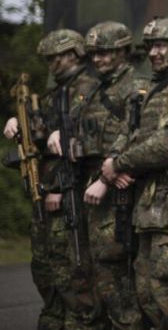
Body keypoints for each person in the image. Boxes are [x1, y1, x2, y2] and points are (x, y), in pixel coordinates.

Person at [100, 17, 168, 329]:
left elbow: (167, 145)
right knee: (147, 293)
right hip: (149, 207)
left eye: (161, 45)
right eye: (150, 46)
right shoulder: (154, 87)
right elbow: (131, 133)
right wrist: (112, 164)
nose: (153, 52)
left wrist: (119, 164)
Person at [4, 29, 101, 330]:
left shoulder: (89, 89)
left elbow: (92, 144)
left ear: (74, 54)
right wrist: (18, 125)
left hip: (72, 194)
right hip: (45, 193)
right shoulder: (54, 94)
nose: (52, 63)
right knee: (45, 269)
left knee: (72, 272)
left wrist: (58, 185)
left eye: (57, 57)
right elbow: (41, 136)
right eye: (48, 58)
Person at [77, 21, 147, 330]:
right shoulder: (96, 88)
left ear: (122, 51)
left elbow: (136, 132)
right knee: (101, 269)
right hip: (97, 184)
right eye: (93, 53)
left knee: (116, 270)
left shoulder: (135, 86)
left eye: (104, 53)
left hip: (121, 192)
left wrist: (112, 171)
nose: (98, 59)